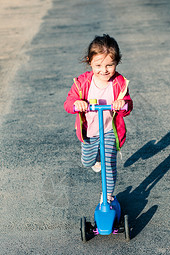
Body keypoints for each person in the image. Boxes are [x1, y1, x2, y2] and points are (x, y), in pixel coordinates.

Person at [64, 34, 133, 202]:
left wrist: (122, 103)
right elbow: (68, 103)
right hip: (89, 132)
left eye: (110, 65)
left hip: (110, 131)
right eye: (99, 65)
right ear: (90, 62)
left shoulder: (119, 83)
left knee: (109, 165)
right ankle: (95, 160)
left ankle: (107, 197)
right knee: (87, 162)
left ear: (117, 62)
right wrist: (77, 104)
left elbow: (128, 106)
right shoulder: (82, 83)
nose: (104, 70)